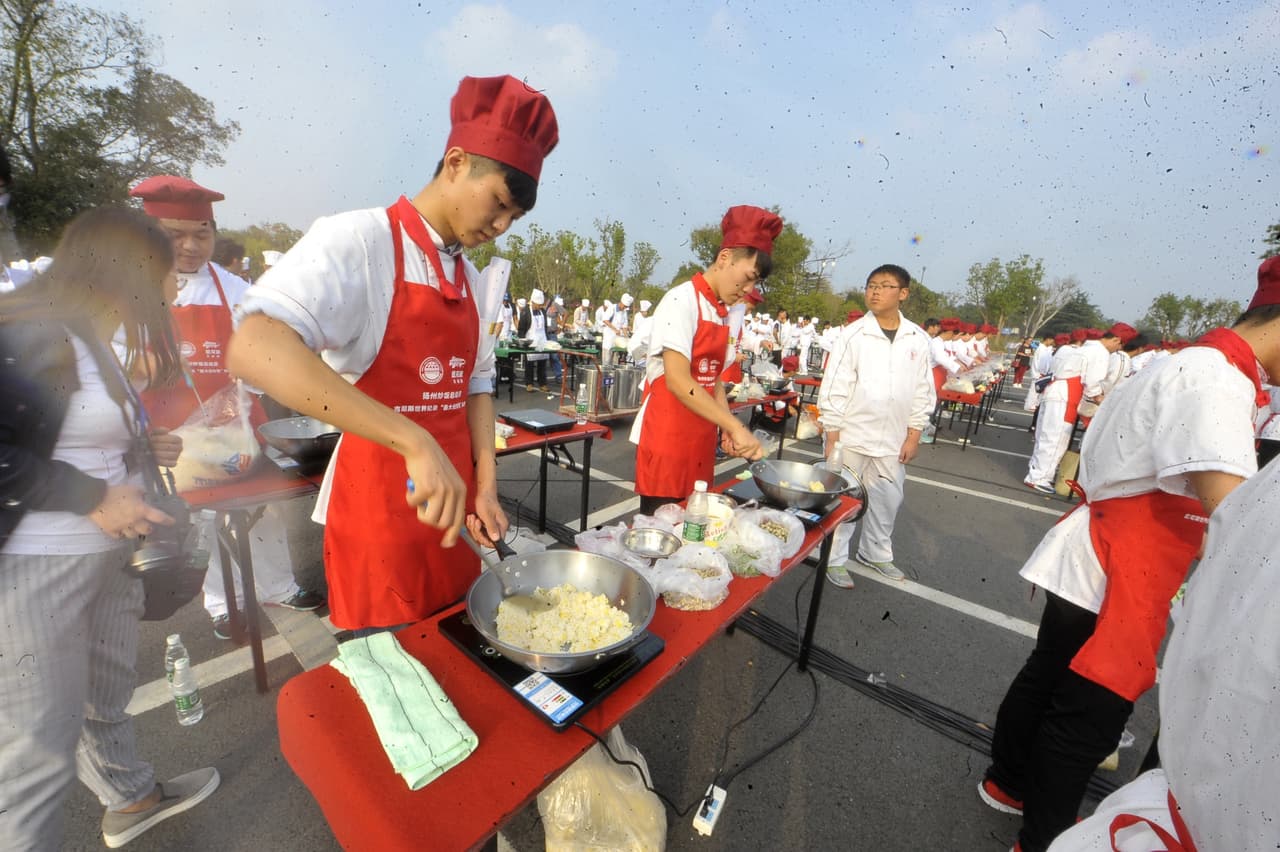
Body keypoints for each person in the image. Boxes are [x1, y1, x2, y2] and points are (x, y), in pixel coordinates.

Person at [228, 74, 557, 632]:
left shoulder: (474, 279)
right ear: (455, 163)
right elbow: (255, 345)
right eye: (499, 203)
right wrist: (413, 438)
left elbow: (476, 386)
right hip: (378, 525)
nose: (500, 226)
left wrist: (484, 487)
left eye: (514, 219)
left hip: (455, 524)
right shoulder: (362, 241)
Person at [980, 257, 1280, 852]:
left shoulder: (1192, 363)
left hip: (1098, 547)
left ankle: (1008, 782)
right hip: (1121, 562)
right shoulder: (1216, 379)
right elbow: (1235, 514)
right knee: (1089, 714)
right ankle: (1040, 839)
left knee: (1049, 676)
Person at [0, 206, 220, 850]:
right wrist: (94, 496)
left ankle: (130, 797)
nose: (170, 285)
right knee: (37, 745)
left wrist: (140, 447)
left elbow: (65, 435)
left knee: (105, 694)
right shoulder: (27, 333)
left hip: (110, 557)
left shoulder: (94, 339)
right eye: (160, 270)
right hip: (41, 567)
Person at [1045, 457, 1280, 851]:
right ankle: (1035, 826)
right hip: (1130, 555)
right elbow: (1224, 506)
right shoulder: (1212, 392)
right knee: (1085, 702)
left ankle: (1020, 801)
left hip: (1122, 550)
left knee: (1057, 684)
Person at [129, 175, 324, 639]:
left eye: (202, 233)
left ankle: (278, 584)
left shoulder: (235, 289)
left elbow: (268, 348)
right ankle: (221, 601)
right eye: (176, 235)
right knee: (206, 521)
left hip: (237, 423)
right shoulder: (131, 293)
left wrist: (254, 381)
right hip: (173, 435)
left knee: (265, 510)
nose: (192, 246)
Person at [631, 206, 773, 513]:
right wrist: (736, 426)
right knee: (662, 532)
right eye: (748, 278)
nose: (748, 290)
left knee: (694, 528)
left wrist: (724, 429)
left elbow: (714, 380)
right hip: (669, 439)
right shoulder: (681, 300)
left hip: (699, 438)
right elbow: (679, 381)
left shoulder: (721, 313)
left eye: (755, 283)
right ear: (724, 258)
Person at [818, 264, 935, 585]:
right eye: (871, 285)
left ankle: (875, 554)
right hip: (851, 436)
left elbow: (923, 391)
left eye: (885, 286)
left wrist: (914, 434)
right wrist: (833, 435)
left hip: (893, 438)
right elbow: (834, 386)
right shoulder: (853, 334)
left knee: (886, 500)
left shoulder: (918, 339)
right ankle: (832, 557)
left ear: (903, 293)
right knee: (842, 499)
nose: (875, 291)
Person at [1023, 329, 1093, 494]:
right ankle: (1040, 478)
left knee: (1044, 435)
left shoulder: (1062, 350)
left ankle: (1036, 471)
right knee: (1055, 439)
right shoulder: (1082, 354)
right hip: (1065, 395)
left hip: (1053, 391)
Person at [517, 288, 551, 391]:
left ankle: (542, 383)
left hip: (542, 339)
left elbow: (545, 327)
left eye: (540, 305)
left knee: (542, 363)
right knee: (530, 364)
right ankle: (529, 383)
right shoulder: (525, 312)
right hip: (530, 340)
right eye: (537, 305)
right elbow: (521, 328)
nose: (539, 307)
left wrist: (547, 339)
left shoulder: (543, 312)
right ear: (532, 302)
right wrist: (522, 341)